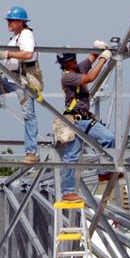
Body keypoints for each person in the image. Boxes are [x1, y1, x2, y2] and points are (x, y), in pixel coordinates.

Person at [0, 6, 42, 162]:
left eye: (12, 21)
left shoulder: (26, 34)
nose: (9, 23)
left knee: (28, 115)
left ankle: (31, 152)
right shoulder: (15, 37)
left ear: (21, 22)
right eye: (9, 21)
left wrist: (6, 53)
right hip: (11, 77)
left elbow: (27, 54)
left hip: (23, 80)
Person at [55, 43, 116, 201]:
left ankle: (104, 172)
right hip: (75, 121)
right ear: (64, 64)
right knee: (71, 156)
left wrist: (98, 50)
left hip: (85, 119)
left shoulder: (77, 68)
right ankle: (68, 192)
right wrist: (104, 58)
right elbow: (90, 77)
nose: (74, 61)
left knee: (108, 138)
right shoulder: (68, 77)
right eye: (70, 60)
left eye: (74, 58)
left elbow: (90, 59)